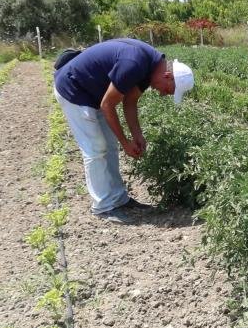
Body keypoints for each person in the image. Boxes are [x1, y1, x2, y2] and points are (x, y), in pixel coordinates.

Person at [53, 38, 194, 224]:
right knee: (95, 148)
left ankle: (119, 200)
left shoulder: (150, 66)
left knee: (109, 145)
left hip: (93, 94)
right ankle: (103, 206)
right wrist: (125, 143)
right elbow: (108, 105)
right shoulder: (134, 64)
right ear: (167, 76)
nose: (162, 94)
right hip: (74, 90)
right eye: (168, 91)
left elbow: (130, 101)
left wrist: (137, 135)